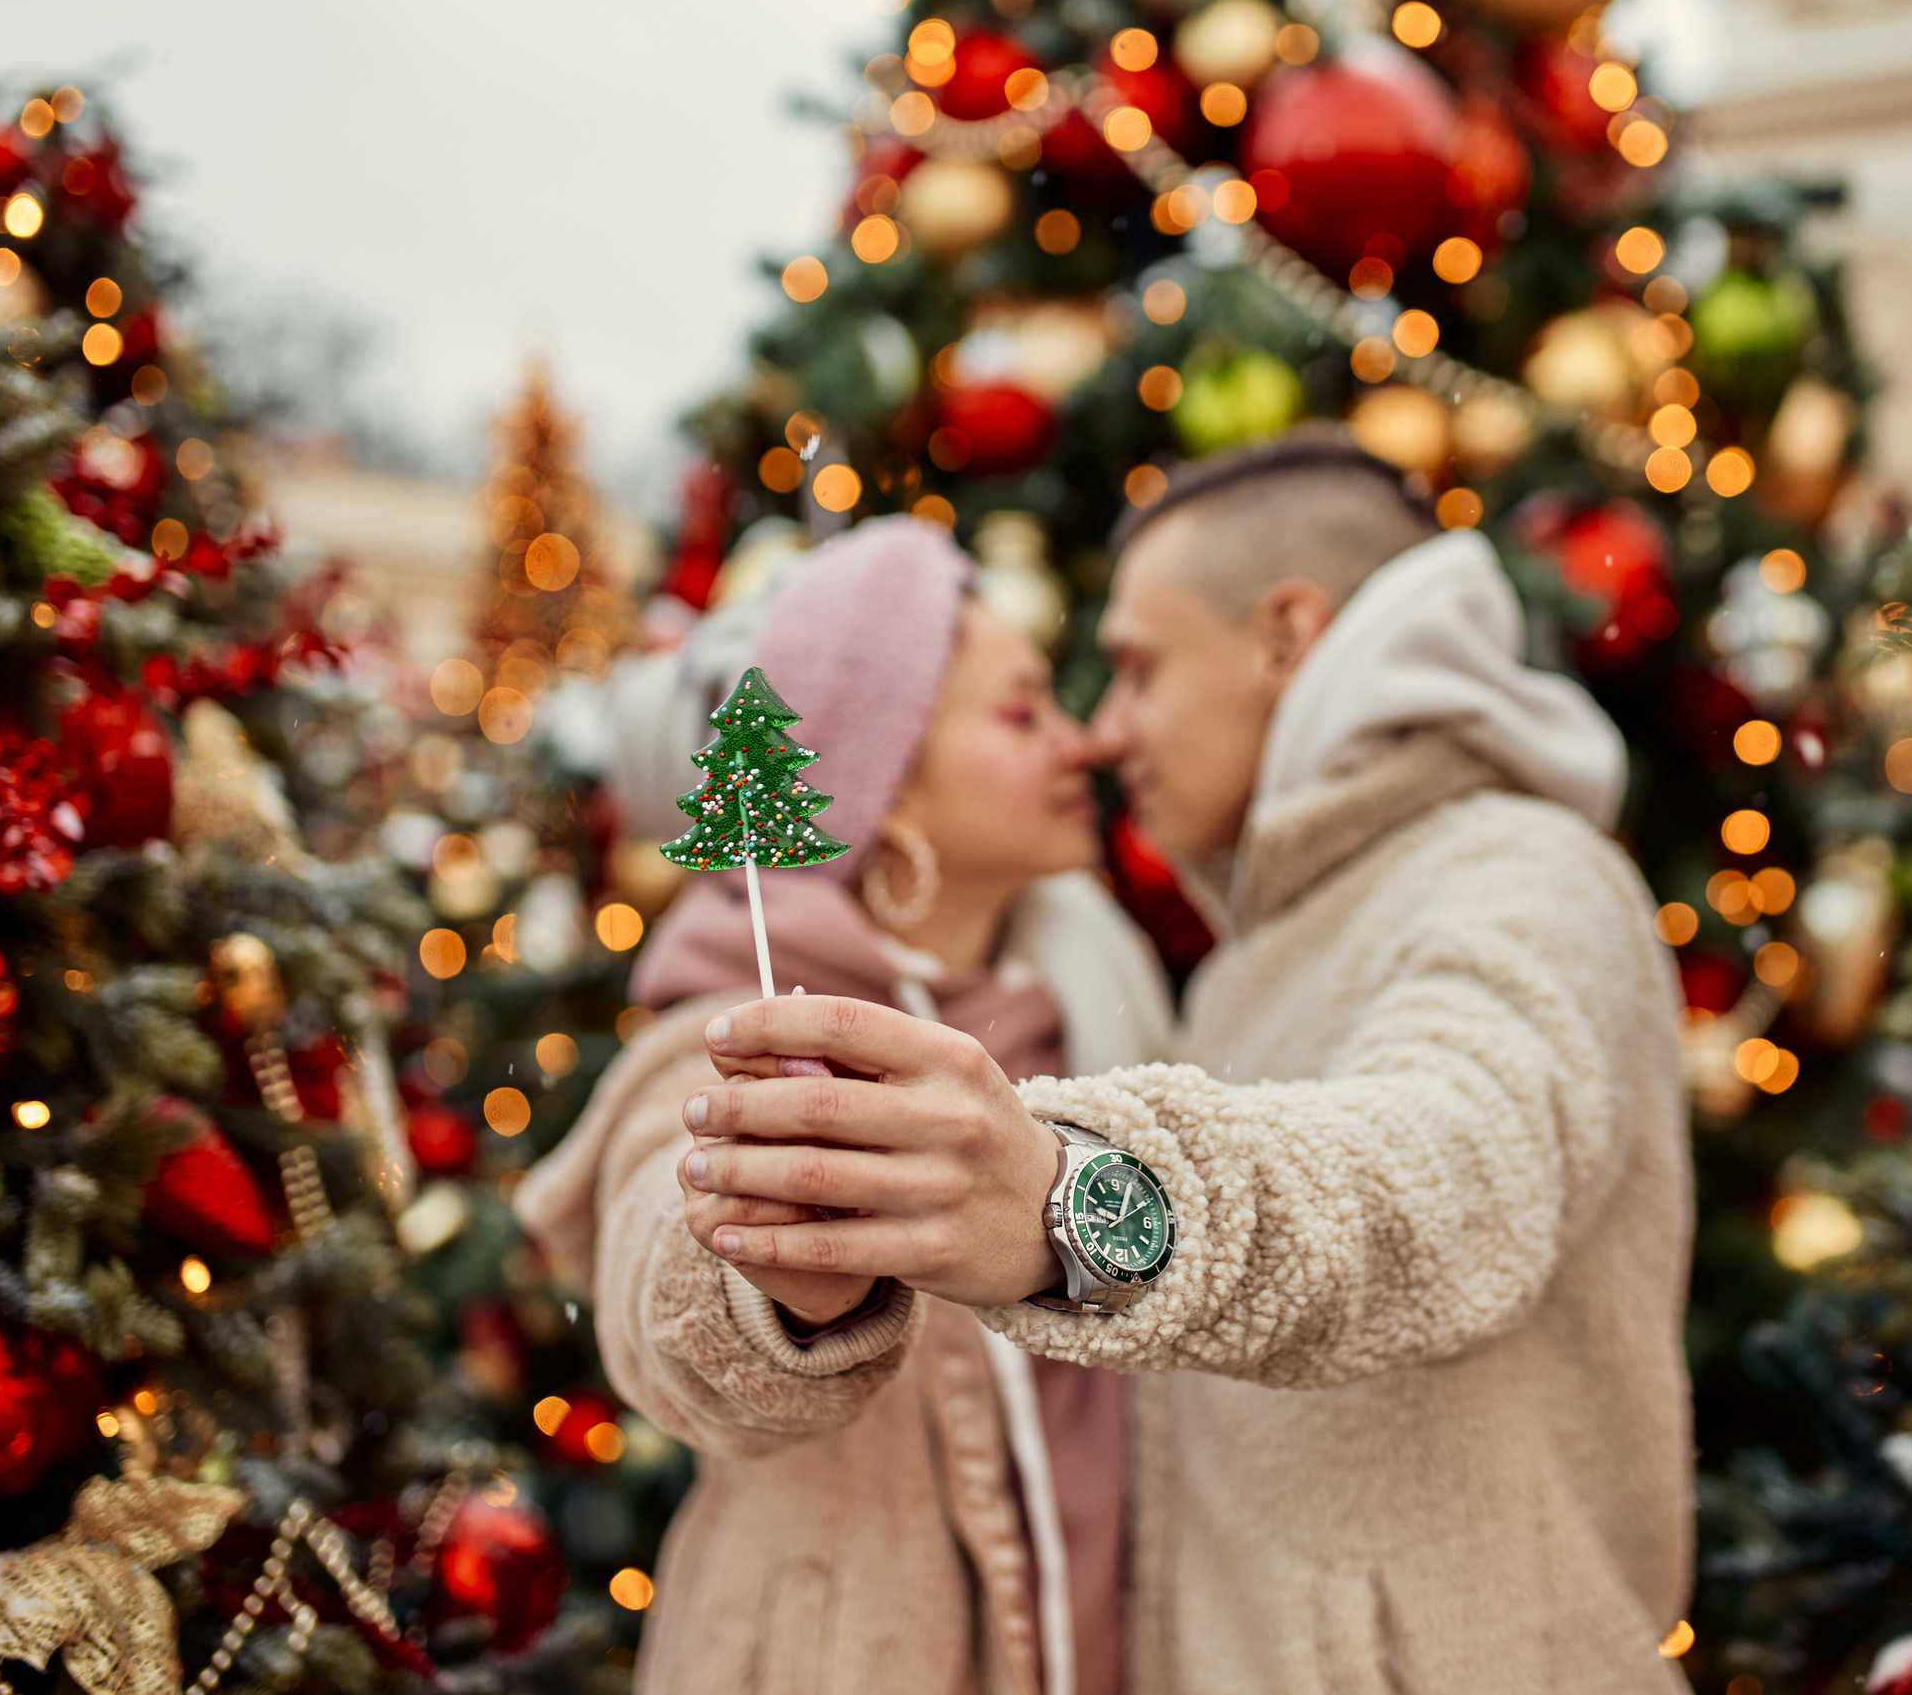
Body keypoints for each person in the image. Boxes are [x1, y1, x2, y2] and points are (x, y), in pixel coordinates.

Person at [677, 431, 1694, 1693]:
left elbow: (1450, 1176)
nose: (1103, 734)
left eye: (1135, 669)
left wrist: (1068, 1200)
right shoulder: (1242, 960)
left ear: (1284, 635)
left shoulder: (1519, 876)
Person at [518, 517, 1173, 1695]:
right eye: (1023, 714)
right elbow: (658, 1256)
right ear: (889, 792)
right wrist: (776, 1281)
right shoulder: (738, 1029)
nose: (1082, 743)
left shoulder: (1106, 1003)